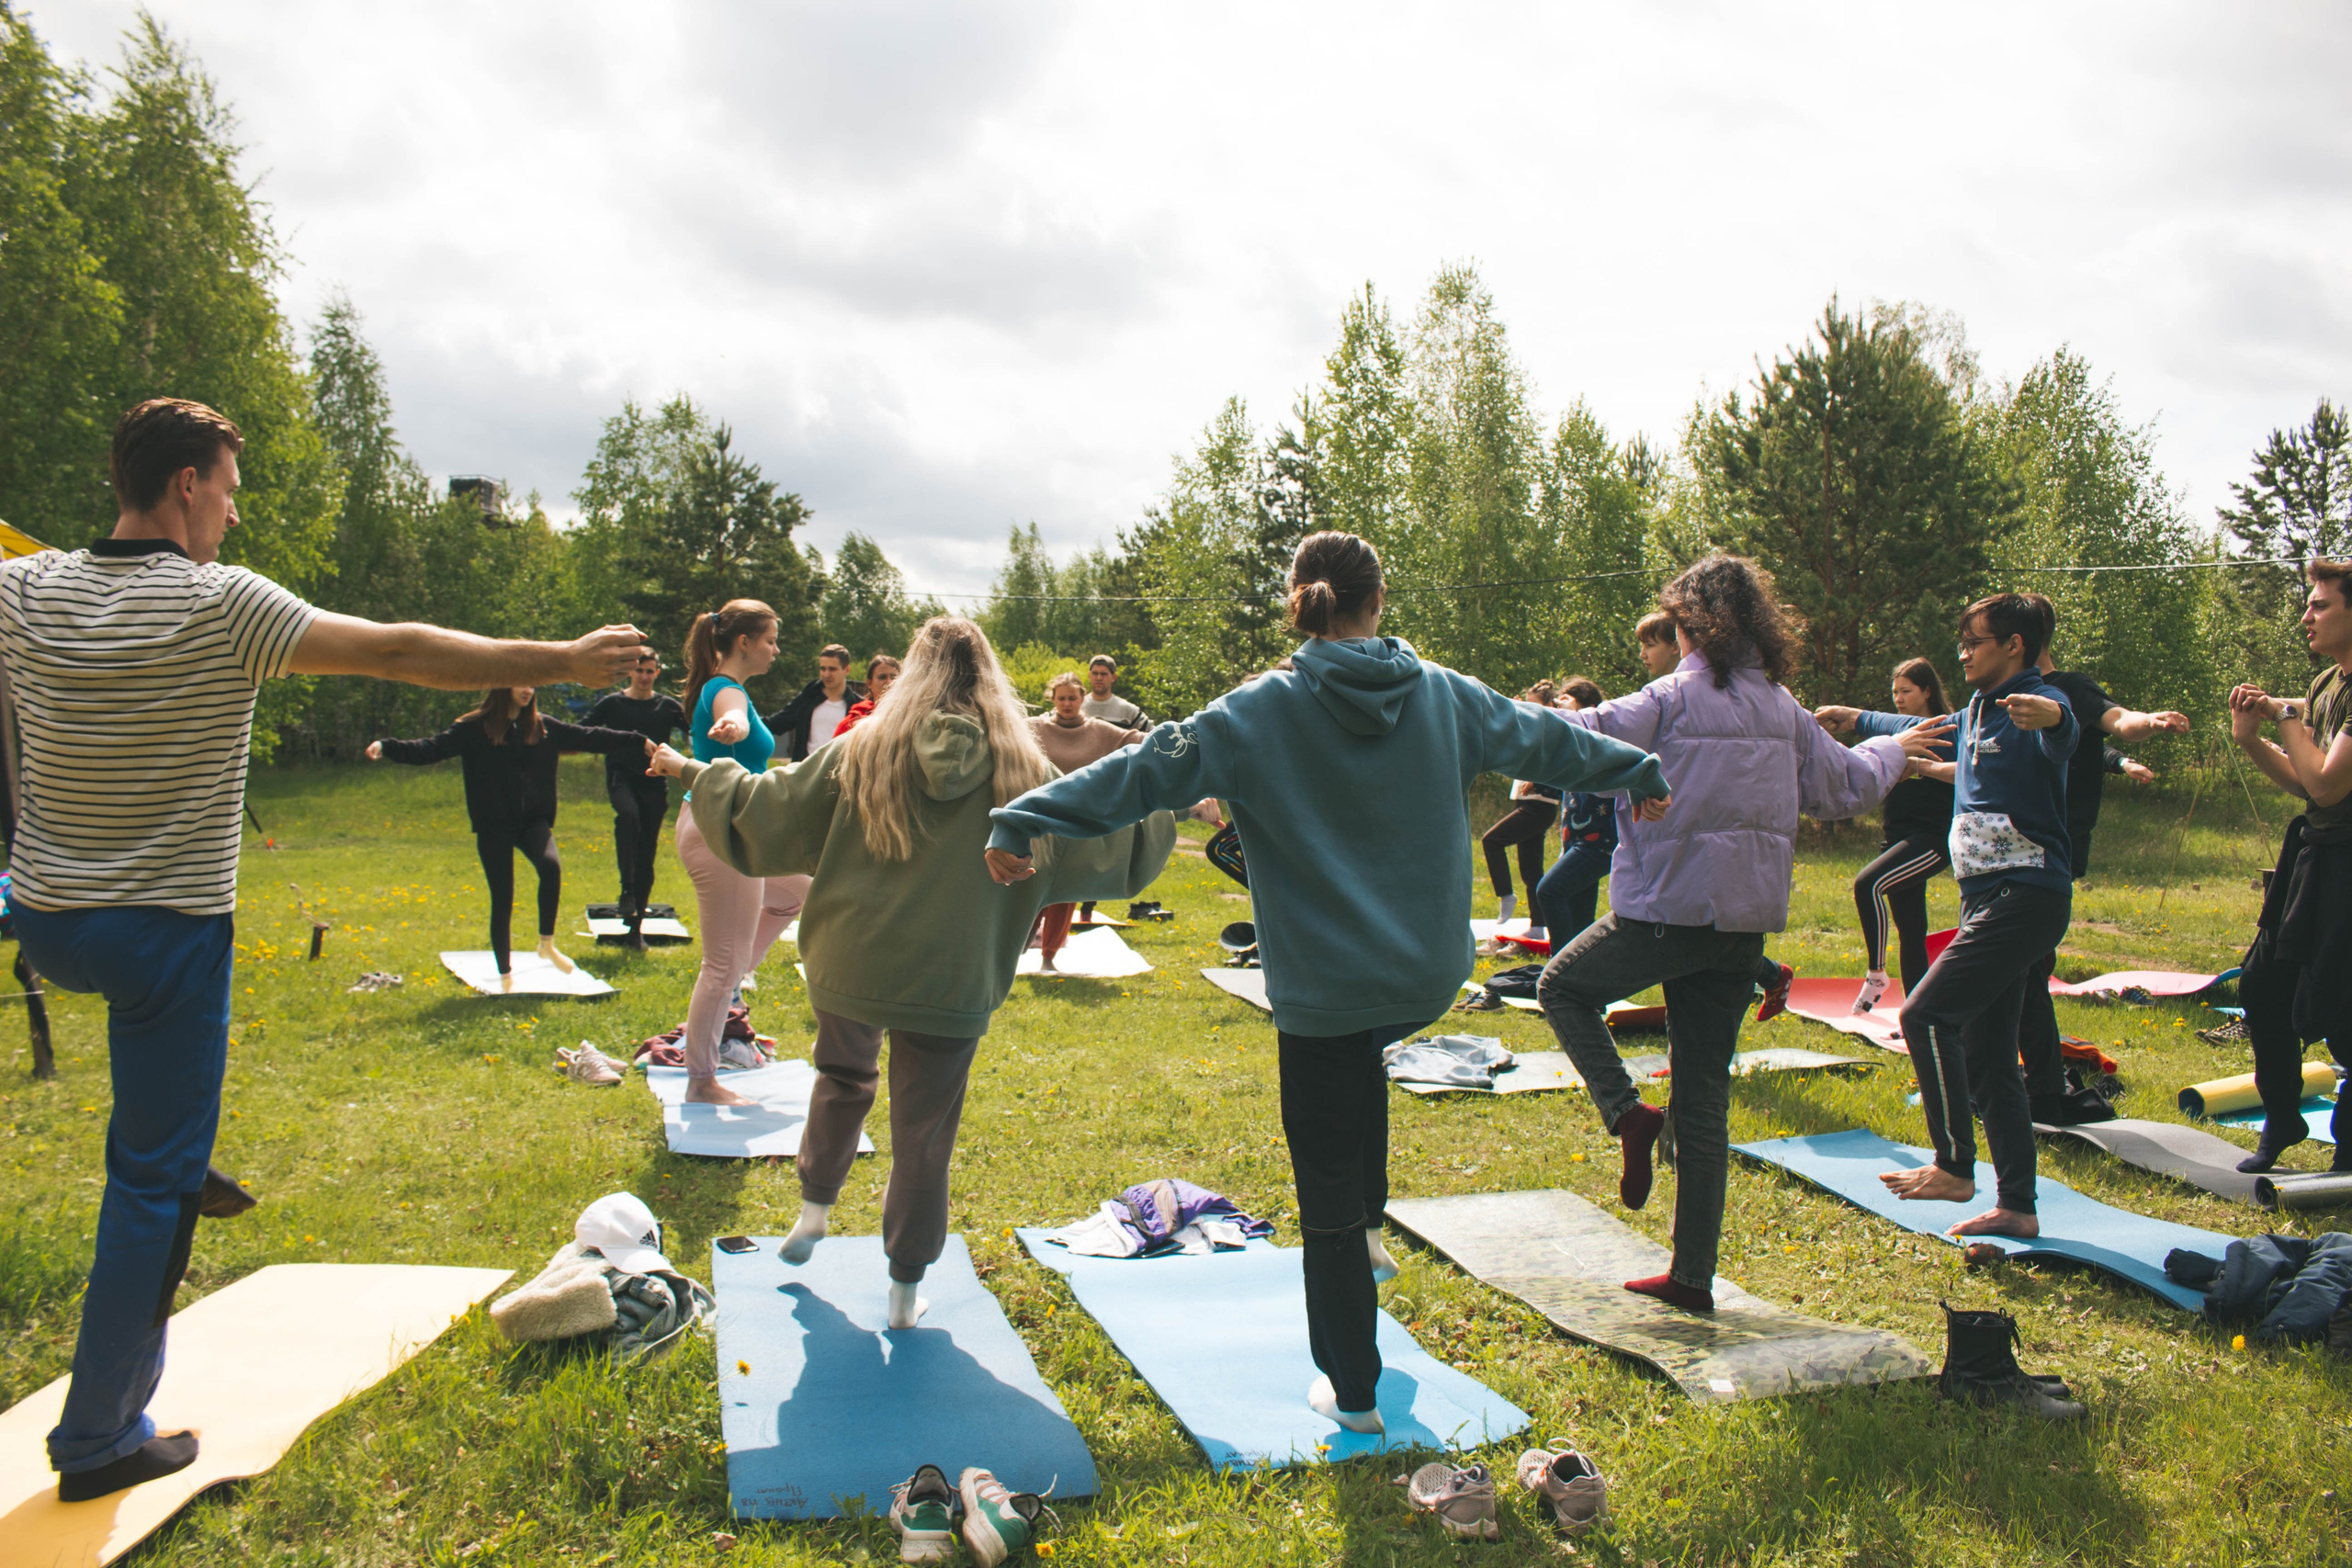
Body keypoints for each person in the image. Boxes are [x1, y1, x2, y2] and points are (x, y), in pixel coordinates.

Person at [0, 396, 646, 1500]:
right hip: (163, 940)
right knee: (145, 1185)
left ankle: (178, 1150)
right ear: (189, 485)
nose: (236, 518)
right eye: (232, 492)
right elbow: (401, 651)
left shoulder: (24, 589)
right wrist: (560, 655)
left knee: (153, 1117)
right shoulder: (223, 604)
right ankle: (101, 1437)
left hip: (46, 919)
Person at [981, 531, 1669, 1433]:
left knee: (1326, 1192)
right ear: (1378, 603)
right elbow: (1553, 739)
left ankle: (1352, 1391)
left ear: (1300, 604)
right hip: (1424, 973)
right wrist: (1641, 772)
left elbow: (1136, 776)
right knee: (1361, 1065)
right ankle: (1376, 1228)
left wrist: (1021, 818)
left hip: (1326, 989)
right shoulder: (1448, 696)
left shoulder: (1250, 713)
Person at [650, 617, 1173, 1328]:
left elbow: (763, 810)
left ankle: (812, 1212)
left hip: (850, 963)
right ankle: (902, 1289)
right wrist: (1165, 788)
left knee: (841, 1080)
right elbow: (1109, 843)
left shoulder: (860, 753)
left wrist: (688, 769)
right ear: (991, 676)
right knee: (925, 1132)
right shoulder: (1023, 770)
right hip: (953, 976)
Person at [1538, 556, 1939, 1314]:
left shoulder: (1672, 696)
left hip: (1665, 916)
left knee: (1562, 986)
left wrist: (1469, 710)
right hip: (1740, 931)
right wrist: (1894, 750)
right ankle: (1692, 1278)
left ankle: (1627, 1115)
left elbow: (1577, 736)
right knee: (1706, 1100)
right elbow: (1843, 786)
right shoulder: (1780, 704)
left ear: (1690, 621)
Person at [1816, 592, 2078, 1238]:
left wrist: (2051, 716)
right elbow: (1916, 725)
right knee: (1990, 1058)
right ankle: (2017, 1205)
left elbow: (2064, 728)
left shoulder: (2034, 703)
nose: (1962, 652)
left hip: (2028, 895)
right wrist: (1854, 717)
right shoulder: (1977, 712)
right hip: (1984, 898)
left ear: (2013, 645)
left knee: (1924, 1012)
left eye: (1975, 641)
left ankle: (1955, 1164)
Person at [2011, 593, 2190, 1121]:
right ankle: (2031, 1073)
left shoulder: (2069, 687)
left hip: (2056, 841)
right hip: (2011, 845)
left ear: (2022, 640)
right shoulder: (2010, 693)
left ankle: (2041, 1081)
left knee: (2026, 965)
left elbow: (2117, 720)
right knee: (2024, 966)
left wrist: (2149, 723)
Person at [368, 689, 646, 982]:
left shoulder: (543, 727)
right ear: (503, 686)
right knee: (503, 897)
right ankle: (504, 973)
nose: (527, 690)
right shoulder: (473, 728)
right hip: (493, 824)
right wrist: (386, 746)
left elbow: (590, 736)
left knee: (550, 868)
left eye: (531, 683)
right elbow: (430, 748)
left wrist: (637, 740)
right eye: (519, 682)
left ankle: (546, 944)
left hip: (533, 822)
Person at [2223, 558, 2352, 1173]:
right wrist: (2252, 737)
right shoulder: (2329, 683)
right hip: (2315, 855)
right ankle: (2283, 1114)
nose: (2306, 615)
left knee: (2340, 1009)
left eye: (2320, 604)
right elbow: (2306, 785)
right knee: (2261, 985)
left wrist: (2287, 716)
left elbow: (2327, 784)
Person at [677, 601, 808, 1109]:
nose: (776, 649)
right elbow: (727, 713)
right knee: (720, 963)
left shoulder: (734, 690)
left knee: (798, 895)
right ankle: (703, 1080)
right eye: (771, 639)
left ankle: (733, 985)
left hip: (733, 829)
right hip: (719, 833)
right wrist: (730, 727)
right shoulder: (725, 689)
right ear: (745, 642)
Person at [1636, 611, 1795, 1017]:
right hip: (1699, 886)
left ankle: (1771, 975)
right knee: (1706, 975)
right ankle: (1771, 975)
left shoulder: (1670, 695)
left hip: (1707, 885)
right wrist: (1638, 781)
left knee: (1564, 986)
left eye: (1652, 642)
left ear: (1683, 640)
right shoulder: (1661, 696)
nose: (1643, 654)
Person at [1847, 657, 1957, 1013]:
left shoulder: (1948, 731)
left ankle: (1877, 973)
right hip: (1896, 836)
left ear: (1927, 691)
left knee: (1869, 884)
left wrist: (1922, 767)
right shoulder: (1897, 736)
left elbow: (1966, 774)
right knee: (1911, 933)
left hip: (1931, 840)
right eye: (1894, 692)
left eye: (1906, 691)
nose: (1898, 698)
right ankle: (1916, 1016)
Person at [1024, 671, 1143, 971]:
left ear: (1082, 698)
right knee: (1031, 889)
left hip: (1077, 822)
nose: (1067, 703)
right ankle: (1017, 947)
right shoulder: (1034, 728)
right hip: (1040, 821)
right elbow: (1001, 732)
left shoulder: (1099, 730)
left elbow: (1136, 739)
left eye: (1072, 698)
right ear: (1053, 699)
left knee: (1066, 892)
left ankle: (1049, 956)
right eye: (1061, 698)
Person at [585, 651, 688, 949]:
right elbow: (584, 730)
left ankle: (636, 930)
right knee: (628, 816)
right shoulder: (612, 704)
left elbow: (697, 729)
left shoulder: (666, 706)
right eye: (640, 671)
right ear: (631, 672)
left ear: (657, 673)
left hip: (654, 784)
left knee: (647, 854)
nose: (644, 676)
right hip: (622, 778)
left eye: (650, 671)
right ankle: (626, 891)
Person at [1476, 681, 1563, 952]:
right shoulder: (1532, 724)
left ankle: (1505, 895)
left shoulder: (1553, 726)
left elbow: (1558, 760)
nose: (1527, 707)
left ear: (1549, 705)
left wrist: (1538, 779)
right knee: (1531, 869)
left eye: (1532, 703)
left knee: (1492, 840)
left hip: (1540, 804)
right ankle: (1537, 926)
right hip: (1528, 802)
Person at [1532, 678, 1616, 944]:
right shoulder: (1571, 745)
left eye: (1566, 699)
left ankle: (1558, 967)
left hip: (1597, 843)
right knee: (1579, 919)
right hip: (1575, 842)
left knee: (1549, 891)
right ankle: (1578, 975)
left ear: (1589, 707)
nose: (1558, 703)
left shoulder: (1600, 741)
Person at [764, 642, 865, 761]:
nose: (826, 674)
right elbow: (776, 724)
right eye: (823, 669)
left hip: (840, 775)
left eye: (832, 669)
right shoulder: (807, 698)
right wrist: (747, 719)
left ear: (847, 669)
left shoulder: (857, 707)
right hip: (806, 774)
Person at [830, 653, 900, 739]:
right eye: (882, 677)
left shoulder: (910, 719)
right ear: (869, 683)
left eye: (894, 677)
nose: (889, 682)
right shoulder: (851, 723)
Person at [1080, 654, 1148, 729]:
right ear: (1089, 676)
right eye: (1095, 673)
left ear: (1113, 677)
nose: (1099, 678)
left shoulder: (1127, 711)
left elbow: (1154, 733)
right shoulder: (1078, 707)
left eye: (1103, 674)